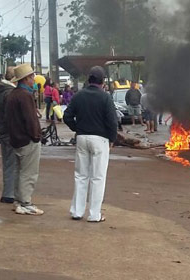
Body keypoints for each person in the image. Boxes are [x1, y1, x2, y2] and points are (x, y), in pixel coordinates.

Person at [63, 66, 117, 222]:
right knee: (98, 177)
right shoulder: (105, 97)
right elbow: (112, 122)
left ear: (89, 80)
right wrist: (112, 139)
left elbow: (67, 116)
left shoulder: (78, 96)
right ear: (102, 81)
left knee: (80, 176)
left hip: (82, 138)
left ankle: (77, 211)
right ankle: (94, 214)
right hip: (100, 140)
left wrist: (77, 128)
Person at [5, 64, 44, 215]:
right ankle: (26, 202)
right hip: (28, 140)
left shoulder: (12, 95)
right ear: (26, 78)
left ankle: (18, 201)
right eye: (32, 76)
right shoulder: (25, 96)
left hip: (16, 139)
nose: (34, 79)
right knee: (29, 173)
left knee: (19, 172)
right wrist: (36, 136)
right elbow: (30, 120)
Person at [0, 67, 19, 203]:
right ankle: (9, 194)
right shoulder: (9, 93)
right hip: (9, 131)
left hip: (2, 129)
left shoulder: (0, 91)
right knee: (12, 162)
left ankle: (8, 191)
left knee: (7, 161)